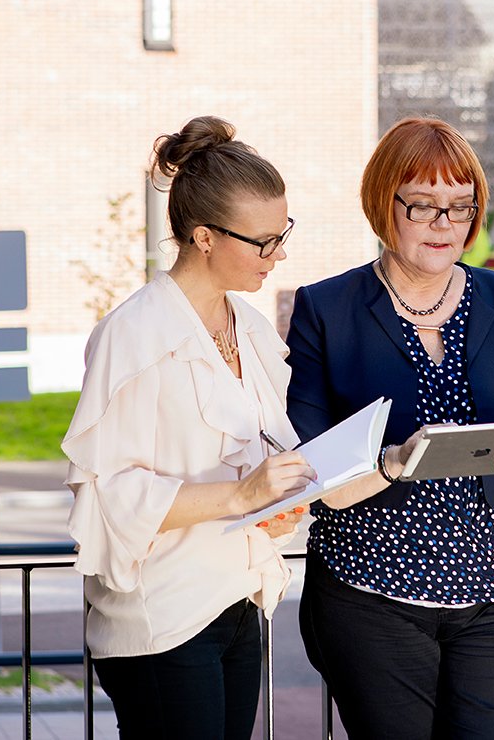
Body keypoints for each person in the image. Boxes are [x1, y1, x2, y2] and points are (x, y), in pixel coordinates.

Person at [285, 116, 494, 740]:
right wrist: (394, 460)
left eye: (460, 207)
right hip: (372, 599)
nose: (444, 224)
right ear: (381, 204)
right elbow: (310, 474)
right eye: (422, 205)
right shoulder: (327, 310)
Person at [61, 116, 316, 740]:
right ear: (203, 236)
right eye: (262, 241)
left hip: (236, 599)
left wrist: (277, 502)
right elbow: (110, 494)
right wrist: (240, 496)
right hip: (162, 615)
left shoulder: (252, 330)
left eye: (281, 234)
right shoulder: (134, 335)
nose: (277, 254)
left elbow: (260, 461)